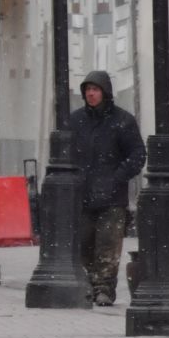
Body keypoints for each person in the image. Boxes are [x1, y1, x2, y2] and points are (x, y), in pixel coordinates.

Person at [69, 70, 146, 306]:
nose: (91, 94)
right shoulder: (76, 121)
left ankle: (104, 288)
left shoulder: (122, 121)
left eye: (95, 90)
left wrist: (117, 177)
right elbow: (66, 153)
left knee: (108, 245)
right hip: (83, 195)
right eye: (87, 90)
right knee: (84, 244)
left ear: (105, 92)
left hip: (112, 198)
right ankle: (91, 284)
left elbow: (137, 154)